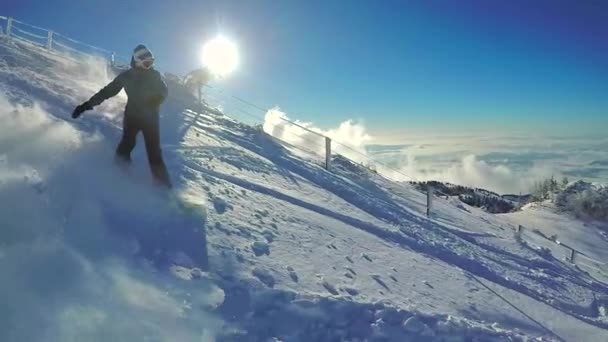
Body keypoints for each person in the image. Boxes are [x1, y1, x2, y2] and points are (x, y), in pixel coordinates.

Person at [72, 44, 172, 188]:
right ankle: (119, 174)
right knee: (126, 144)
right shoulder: (126, 77)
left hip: (150, 118)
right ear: (137, 61)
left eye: (151, 63)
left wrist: (158, 98)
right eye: (146, 63)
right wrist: (86, 105)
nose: (149, 67)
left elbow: (164, 90)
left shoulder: (154, 75)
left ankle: (163, 187)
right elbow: (106, 92)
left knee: (154, 152)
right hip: (132, 117)